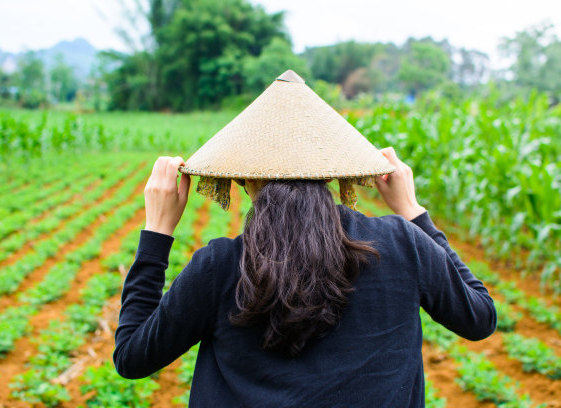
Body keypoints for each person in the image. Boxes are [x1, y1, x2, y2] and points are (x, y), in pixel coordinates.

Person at [113, 71, 496, 407]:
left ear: (243, 177)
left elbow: (132, 357)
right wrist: (413, 213)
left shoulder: (220, 266)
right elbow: (479, 317)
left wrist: (157, 233)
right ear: (332, 171)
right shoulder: (400, 243)